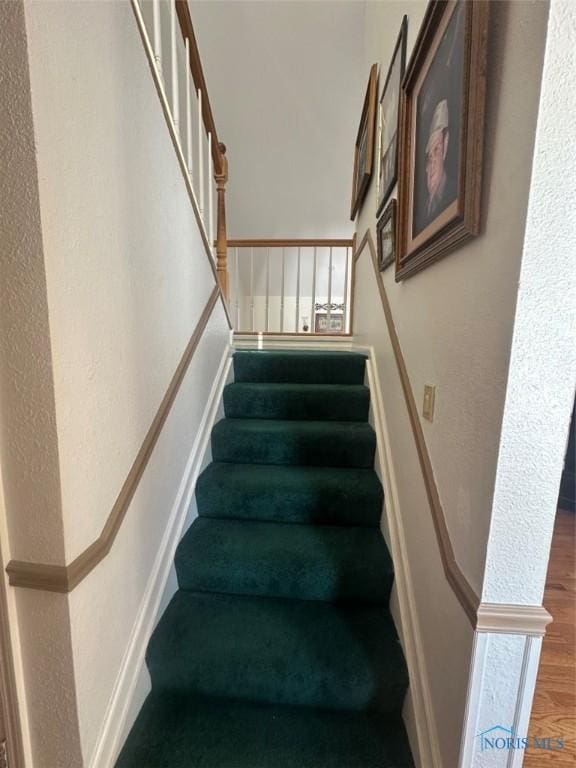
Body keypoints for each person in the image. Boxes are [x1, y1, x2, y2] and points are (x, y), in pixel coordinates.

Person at [424, 99, 457, 224]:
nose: (431, 166)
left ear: (445, 147)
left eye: (436, 150)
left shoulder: (452, 193)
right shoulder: (427, 205)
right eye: (429, 157)